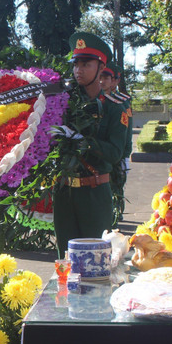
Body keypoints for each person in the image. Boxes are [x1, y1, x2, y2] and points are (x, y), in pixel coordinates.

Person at [53, 32, 128, 256]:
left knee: (96, 260)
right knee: (66, 259)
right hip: (64, 192)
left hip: (94, 193)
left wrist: (84, 142)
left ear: (101, 66)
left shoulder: (114, 108)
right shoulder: (62, 104)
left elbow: (115, 152)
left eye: (86, 64)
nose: (79, 70)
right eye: (76, 64)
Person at [99, 63, 132, 227]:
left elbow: (127, 130)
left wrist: (126, 154)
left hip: (115, 154)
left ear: (114, 81)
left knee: (116, 185)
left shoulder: (120, 103)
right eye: (100, 76)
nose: (102, 81)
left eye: (106, 77)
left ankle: (116, 213)